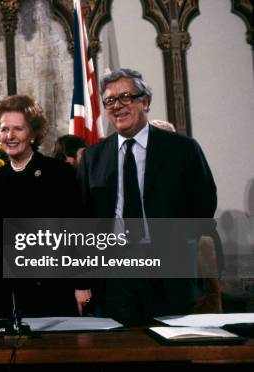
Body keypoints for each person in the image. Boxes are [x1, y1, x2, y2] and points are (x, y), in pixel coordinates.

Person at [77, 68, 217, 324]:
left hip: (169, 273)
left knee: (172, 356)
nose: (117, 106)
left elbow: (204, 204)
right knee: (121, 355)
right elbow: (84, 219)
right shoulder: (92, 158)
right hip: (115, 277)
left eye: (126, 97)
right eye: (109, 100)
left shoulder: (182, 149)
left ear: (145, 101)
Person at [0, 94, 90, 319]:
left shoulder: (58, 173)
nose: (9, 136)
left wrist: (82, 284)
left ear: (32, 134)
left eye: (18, 129)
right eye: (4, 129)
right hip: (5, 292)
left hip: (52, 289)